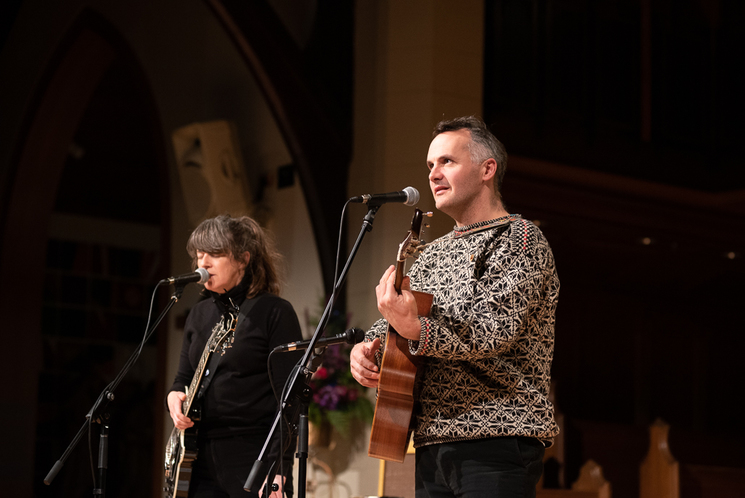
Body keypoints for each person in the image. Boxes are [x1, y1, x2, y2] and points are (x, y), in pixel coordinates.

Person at [350, 116, 560, 497]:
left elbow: (495, 330)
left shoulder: (520, 237)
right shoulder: (430, 254)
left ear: (487, 169)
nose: (433, 174)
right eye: (430, 165)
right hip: (431, 442)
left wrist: (415, 329)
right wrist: (367, 349)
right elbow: (401, 321)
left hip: (496, 437)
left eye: (447, 161)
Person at [167, 215, 302, 498]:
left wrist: (279, 468)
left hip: (253, 457)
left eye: (214, 254)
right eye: (199, 255)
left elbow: (290, 400)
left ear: (243, 259)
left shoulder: (274, 312)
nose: (202, 263)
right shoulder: (199, 314)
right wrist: (174, 397)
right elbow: (182, 379)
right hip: (197, 458)